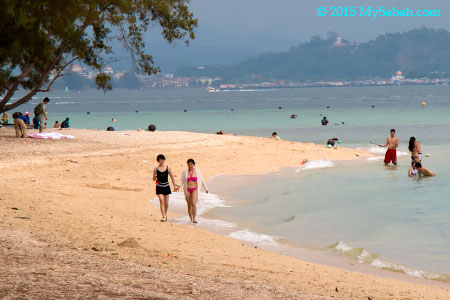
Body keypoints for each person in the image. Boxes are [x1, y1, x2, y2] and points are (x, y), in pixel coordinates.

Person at [178, 159, 208, 223]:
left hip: (195, 189)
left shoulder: (197, 171)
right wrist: (178, 186)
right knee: (189, 204)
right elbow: (182, 181)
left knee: (193, 203)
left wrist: (206, 188)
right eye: (188, 164)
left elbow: (202, 180)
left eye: (191, 164)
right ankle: (190, 218)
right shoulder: (185, 172)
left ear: (193, 164)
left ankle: (194, 218)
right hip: (187, 189)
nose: (190, 165)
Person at [153, 154, 177, 222]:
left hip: (166, 186)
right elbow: (154, 179)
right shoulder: (155, 168)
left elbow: (172, 177)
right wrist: (155, 176)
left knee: (166, 203)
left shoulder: (167, 168)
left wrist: (174, 185)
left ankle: (165, 215)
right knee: (161, 200)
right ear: (158, 161)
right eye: (160, 159)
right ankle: (163, 216)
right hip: (159, 186)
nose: (162, 160)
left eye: (163, 159)